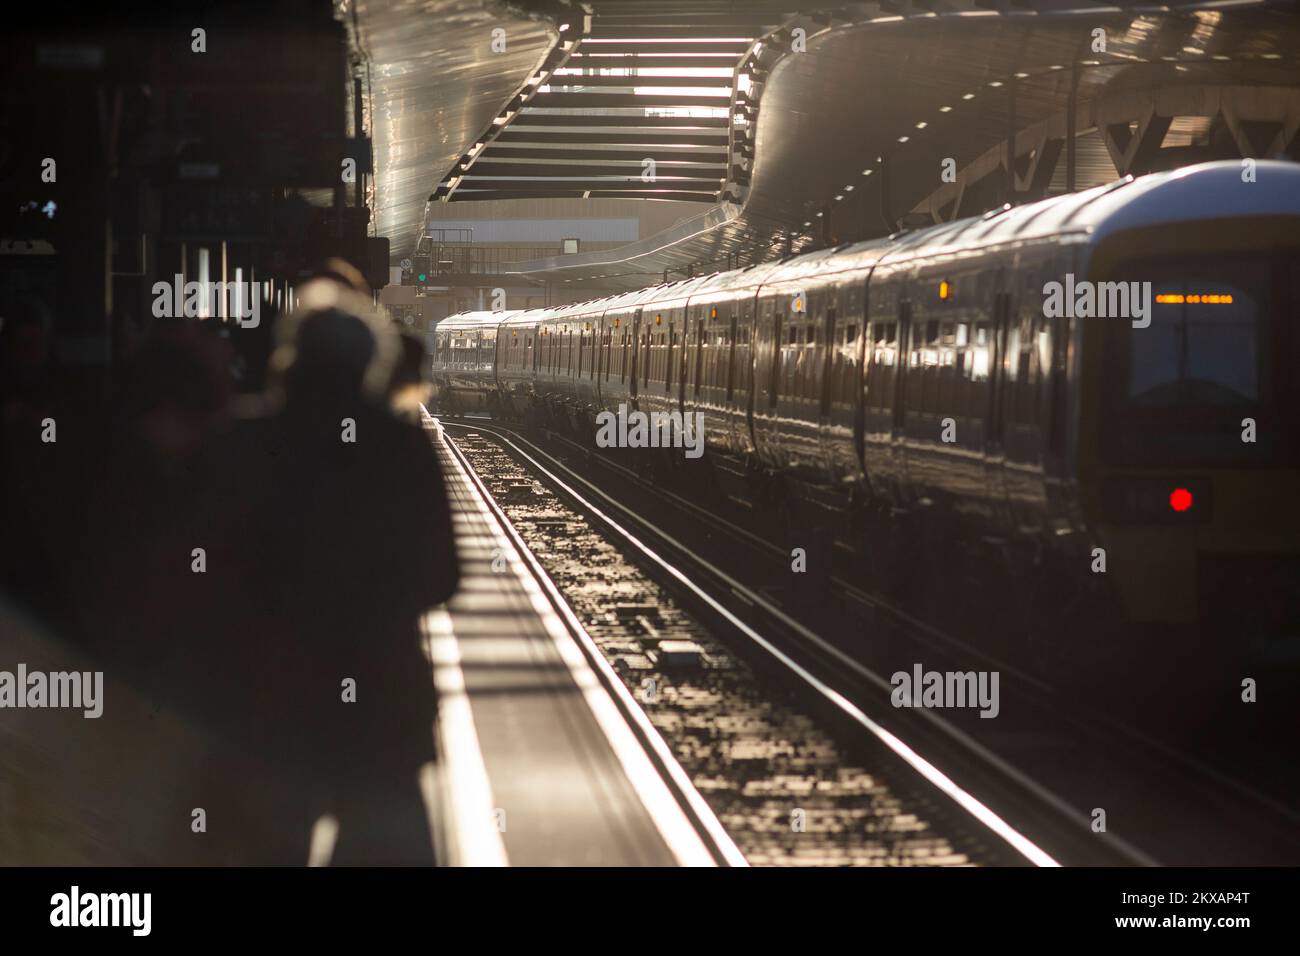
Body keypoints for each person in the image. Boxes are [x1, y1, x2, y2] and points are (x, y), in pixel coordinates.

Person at [207, 278, 459, 864]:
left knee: (263, 846)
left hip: (266, 699)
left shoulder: (245, 442)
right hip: (380, 699)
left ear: (288, 360)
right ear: (373, 365)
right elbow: (442, 576)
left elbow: (206, 569)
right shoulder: (401, 449)